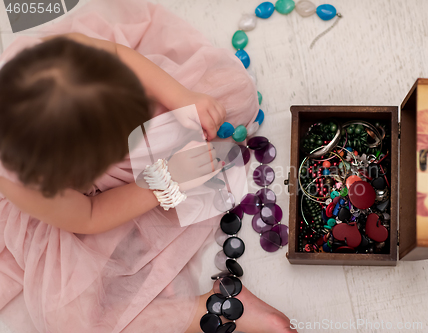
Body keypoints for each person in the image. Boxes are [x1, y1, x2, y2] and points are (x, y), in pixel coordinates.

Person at [0, 0, 297, 332]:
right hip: (90, 206)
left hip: (128, 126)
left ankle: (142, 127)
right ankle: (213, 309)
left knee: (232, 93)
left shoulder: (53, 59)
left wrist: (182, 97)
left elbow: (119, 56)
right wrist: (167, 179)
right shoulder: (22, 181)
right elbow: (90, 214)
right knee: (70, 319)